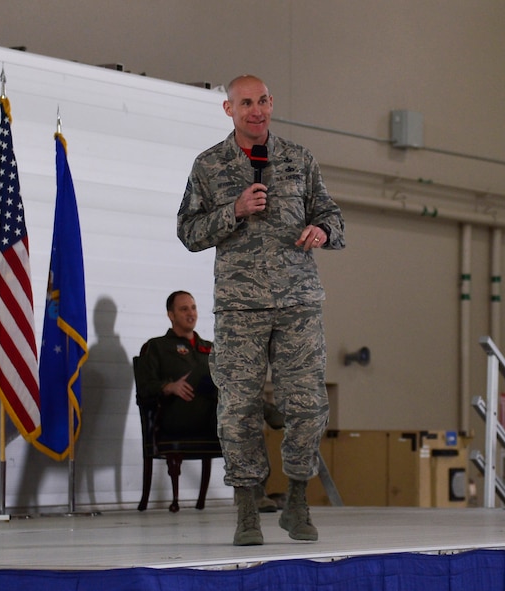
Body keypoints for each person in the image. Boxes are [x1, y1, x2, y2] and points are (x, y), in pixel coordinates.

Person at [176, 74, 345, 546]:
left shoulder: (299, 159)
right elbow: (188, 232)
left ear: (272, 104)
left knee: (308, 406)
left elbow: (332, 215)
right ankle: (247, 511)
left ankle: (296, 499)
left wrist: (323, 232)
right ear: (229, 110)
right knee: (239, 410)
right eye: (246, 102)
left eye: (264, 101)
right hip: (240, 307)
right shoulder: (209, 166)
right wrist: (233, 209)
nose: (257, 110)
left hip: (298, 303)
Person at [135, 291, 217, 440]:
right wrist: (169, 387)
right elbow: (144, 388)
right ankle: (263, 410)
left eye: (193, 308)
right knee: (202, 372)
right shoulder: (157, 346)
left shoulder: (210, 347)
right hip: (177, 415)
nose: (191, 313)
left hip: (211, 413)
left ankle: (258, 408)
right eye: (184, 309)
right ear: (171, 315)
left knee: (230, 378)